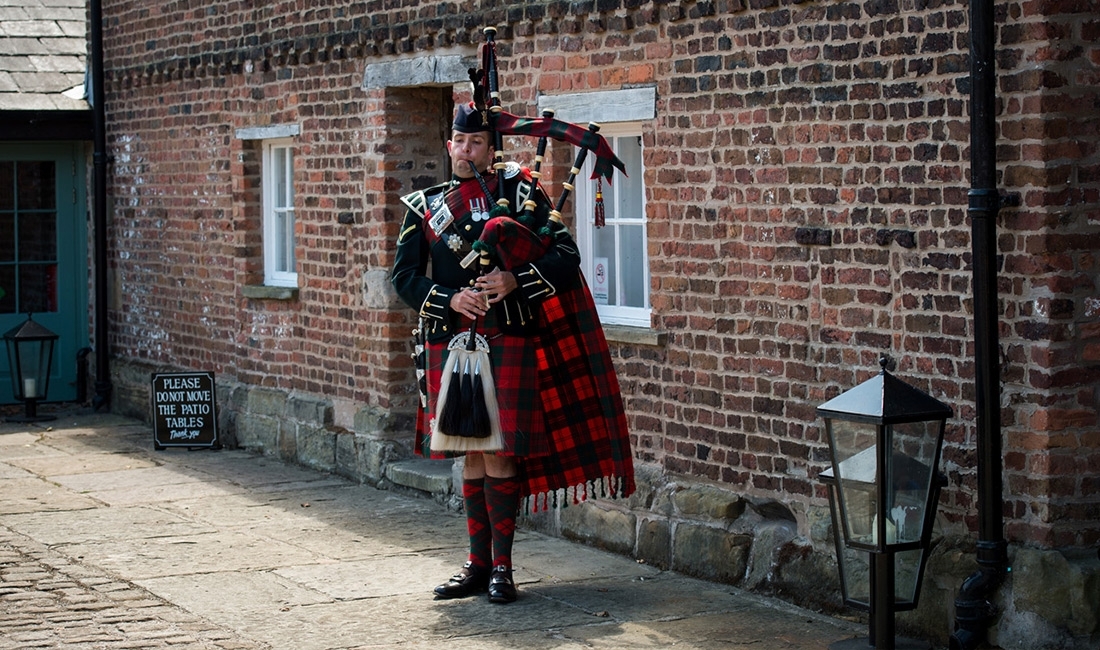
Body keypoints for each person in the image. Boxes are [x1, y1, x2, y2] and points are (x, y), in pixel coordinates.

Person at [391, 102, 635, 604]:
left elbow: (567, 258)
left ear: (490, 146)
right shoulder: (425, 206)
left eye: (476, 143)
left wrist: (513, 280)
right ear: (448, 145)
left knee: (501, 452)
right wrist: (450, 297)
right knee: (471, 456)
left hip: (509, 335)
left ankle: (502, 568)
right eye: (459, 142)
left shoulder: (521, 192)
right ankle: (476, 565)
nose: (465, 151)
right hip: (453, 340)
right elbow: (405, 278)